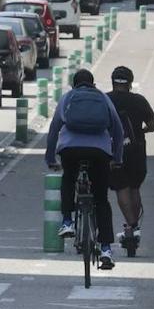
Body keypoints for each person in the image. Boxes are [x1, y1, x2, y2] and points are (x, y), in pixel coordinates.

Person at [44, 68, 125, 270]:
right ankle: (106, 249)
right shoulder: (103, 98)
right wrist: (117, 157)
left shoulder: (67, 97)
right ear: (93, 83)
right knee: (101, 200)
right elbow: (117, 127)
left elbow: (54, 129)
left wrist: (50, 158)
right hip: (100, 152)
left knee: (68, 179)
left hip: (70, 150)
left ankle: (67, 221)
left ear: (74, 84)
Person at [106, 66, 154, 246]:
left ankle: (132, 225)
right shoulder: (139, 100)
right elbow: (152, 125)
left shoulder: (106, 100)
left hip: (114, 151)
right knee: (134, 187)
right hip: (136, 150)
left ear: (113, 82)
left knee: (122, 187)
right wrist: (141, 130)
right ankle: (133, 228)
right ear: (130, 83)